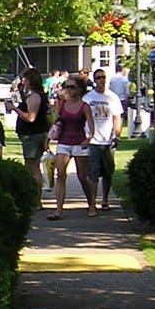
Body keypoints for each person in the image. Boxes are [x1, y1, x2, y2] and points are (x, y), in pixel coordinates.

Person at [47, 75, 96, 219]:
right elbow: (56, 122)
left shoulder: (84, 106)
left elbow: (91, 127)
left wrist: (89, 139)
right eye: (67, 87)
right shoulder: (62, 104)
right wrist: (48, 138)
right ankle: (58, 209)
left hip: (79, 143)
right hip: (64, 142)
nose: (69, 89)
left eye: (72, 87)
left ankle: (91, 203)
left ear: (80, 89)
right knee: (60, 174)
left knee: (82, 177)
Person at [82, 68, 124, 213]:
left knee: (108, 173)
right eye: (99, 78)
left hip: (108, 141)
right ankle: (92, 203)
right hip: (93, 141)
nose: (101, 80)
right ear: (95, 80)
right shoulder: (88, 98)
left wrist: (117, 135)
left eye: (103, 77)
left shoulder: (113, 97)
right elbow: (82, 118)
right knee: (92, 174)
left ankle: (105, 200)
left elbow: (117, 117)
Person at [13, 67, 50, 189]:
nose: (23, 81)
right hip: (33, 134)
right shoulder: (36, 95)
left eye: (25, 79)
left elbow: (31, 117)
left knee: (32, 166)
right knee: (32, 165)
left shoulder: (35, 96)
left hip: (32, 135)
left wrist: (15, 109)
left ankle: (36, 194)